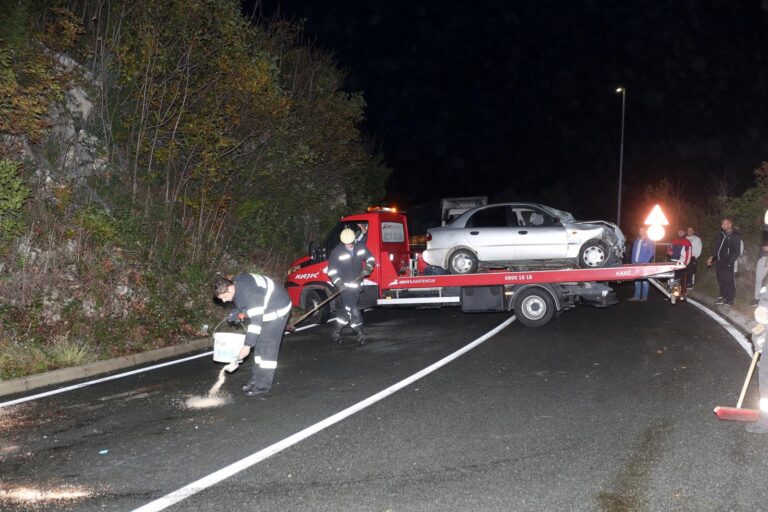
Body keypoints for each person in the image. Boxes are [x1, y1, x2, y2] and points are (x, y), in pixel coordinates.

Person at [212, 273, 292, 396]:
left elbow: (256, 322)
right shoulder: (238, 282)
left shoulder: (251, 294)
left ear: (229, 288)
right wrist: (237, 312)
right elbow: (242, 301)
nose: (224, 300)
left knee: (267, 347)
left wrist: (247, 346)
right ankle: (256, 379)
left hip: (277, 308)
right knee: (259, 345)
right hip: (265, 305)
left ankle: (262, 386)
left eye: (224, 296)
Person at [328, 228, 375, 345]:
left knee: (346, 310)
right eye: (346, 243)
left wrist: (368, 268)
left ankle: (335, 332)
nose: (348, 245)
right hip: (345, 288)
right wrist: (339, 283)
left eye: (350, 243)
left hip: (357, 286)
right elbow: (332, 272)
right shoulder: (336, 252)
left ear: (354, 240)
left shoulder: (360, 247)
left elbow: (371, 258)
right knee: (354, 309)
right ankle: (360, 333)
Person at [706, 218, 742, 307]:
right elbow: (716, 247)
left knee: (728, 280)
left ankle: (730, 299)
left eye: (724, 224)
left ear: (730, 225)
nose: (722, 226)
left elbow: (737, 251)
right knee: (721, 279)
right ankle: (723, 296)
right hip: (719, 261)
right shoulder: (721, 234)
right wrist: (711, 258)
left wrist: (730, 261)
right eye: (722, 224)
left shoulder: (735, 236)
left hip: (728, 262)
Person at [628, 226, 655, 301]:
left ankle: (644, 297)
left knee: (644, 281)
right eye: (640, 231)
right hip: (635, 263)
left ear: (646, 231)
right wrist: (632, 261)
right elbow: (633, 251)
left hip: (644, 264)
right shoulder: (637, 240)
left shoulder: (649, 240)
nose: (641, 232)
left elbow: (651, 252)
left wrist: (645, 261)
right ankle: (636, 297)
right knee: (637, 281)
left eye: (642, 230)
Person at [668, 228, 692, 294]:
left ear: (684, 233)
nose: (680, 233)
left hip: (682, 263)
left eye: (681, 232)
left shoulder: (687, 241)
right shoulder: (674, 241)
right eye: (679, 232)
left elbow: (689, 253)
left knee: (683, 279)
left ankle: (683, 292)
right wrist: (669, 252)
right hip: (674, 262)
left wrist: (686, 263)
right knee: (675, 278)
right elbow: (669, 248)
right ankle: (675, 292)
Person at [752, 228, 768, 306]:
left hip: (766, 258)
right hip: (762, 258)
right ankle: (757, 298)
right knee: (759, 279)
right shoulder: (765, 231)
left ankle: (761, 300)